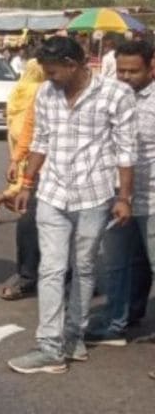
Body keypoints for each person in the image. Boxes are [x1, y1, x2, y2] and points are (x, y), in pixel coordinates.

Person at [6, 36, 136, 375]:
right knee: (51, 268)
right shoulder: (46, 94)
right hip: (52, 192)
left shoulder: (115, 94)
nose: (48, 79)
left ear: (73, 65)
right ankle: (50, 347)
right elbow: (41, 140)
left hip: (94, 195)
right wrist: (28, 183)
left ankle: (73, 337)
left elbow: (125, 150)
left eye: (52, 72)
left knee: (85, 267)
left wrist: (124, 197)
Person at [84, 40, 154, 349]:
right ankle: (116, 322)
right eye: (121, 70)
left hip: (152, 198)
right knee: (118, 264)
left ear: (152, 67)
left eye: (133, 71)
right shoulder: (110, 97)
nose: (124, 77)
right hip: (117, 196)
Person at [0, 58, 45, 222]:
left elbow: (8, 111)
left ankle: (9, 203)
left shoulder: (19, 86)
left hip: (14, 131)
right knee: (30, 173)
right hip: (28, 132)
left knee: (21, 172)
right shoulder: (40, 88)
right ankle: (6, 201)